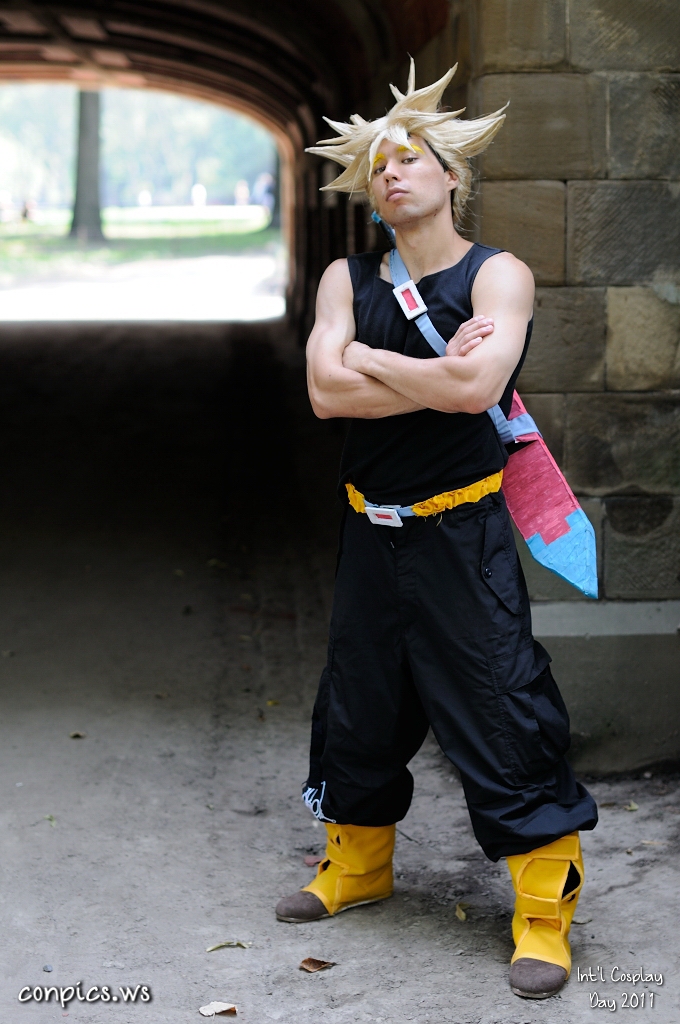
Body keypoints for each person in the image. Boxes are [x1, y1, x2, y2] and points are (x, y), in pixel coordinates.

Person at [275, 61, 597, 1001]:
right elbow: (323, 393)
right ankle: (357, 866)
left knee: (503, 707)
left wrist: (371, 359)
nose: (392, 173)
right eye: (378, 165)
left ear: (451, 175)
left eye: (410, 158)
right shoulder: (345, 276)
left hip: (463, 536)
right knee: (359, 703)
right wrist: (424, 374)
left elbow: (475, 387)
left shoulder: (498, 275)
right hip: (369, 535)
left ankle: (543, 913)